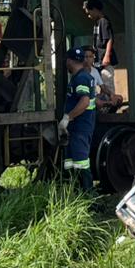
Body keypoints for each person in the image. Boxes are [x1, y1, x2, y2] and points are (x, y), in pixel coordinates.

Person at [58, 47, 96, 191]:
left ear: (69, 61)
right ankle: (76, 194)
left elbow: (84, 101)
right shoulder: (80, 76)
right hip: (77, 129)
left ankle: (88, 198)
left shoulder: (81, 78)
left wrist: (68, 117)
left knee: (81, 163)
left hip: (80, 128)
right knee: (72, 163)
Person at [83, 0, 116, 74]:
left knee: (107, 80)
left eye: (89, 13)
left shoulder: (104, 21)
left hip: (105, 59)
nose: (89, 16)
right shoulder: (97, 22)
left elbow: (109, 39)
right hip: (99, 59)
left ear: (94, 9)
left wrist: (107, 55)